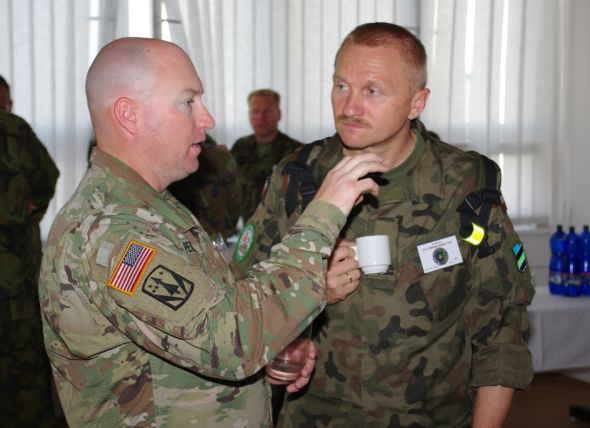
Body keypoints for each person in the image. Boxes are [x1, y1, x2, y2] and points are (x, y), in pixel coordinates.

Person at [38, 37, 387, 427]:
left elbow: (207, 323)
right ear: (129, 115)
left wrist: (270, 345)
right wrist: (324, 213)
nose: (207, 119)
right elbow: (235, 341)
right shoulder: (112, 233)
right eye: (188, 102)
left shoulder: (152, 207)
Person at [232, 22, 535, 427]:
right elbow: (240, 303)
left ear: (416, 103)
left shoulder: (465, 186)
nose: (350, 107)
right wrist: (301, 297)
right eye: (341, 86)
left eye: (372, 91)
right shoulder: (296, 179)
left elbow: (502, 330)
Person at [0, 75, 59, 427]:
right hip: (18, 270)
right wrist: (29, 210)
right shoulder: (16, 129)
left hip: (16, 267)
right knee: (26, 360)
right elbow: (48, 175)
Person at [231, 89, 302, 222]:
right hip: (248, 224)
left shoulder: (296, 151)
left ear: (279, 115)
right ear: (249, 115)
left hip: (283, 224)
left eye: (268, 111)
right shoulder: (240, 147)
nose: (261, 118)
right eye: (255, 111)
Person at [169, 134, 241, 241]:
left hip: (175, 236)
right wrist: (228, 228)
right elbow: (235, 200)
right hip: (215, 237)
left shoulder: (169, 155)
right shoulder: (221, 156)